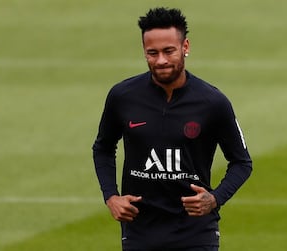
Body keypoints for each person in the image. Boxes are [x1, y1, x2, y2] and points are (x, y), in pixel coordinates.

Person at [92, 7, 252, 251]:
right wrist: (111, 196)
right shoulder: (122, 96)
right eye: (152, 53)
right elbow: (103, 148)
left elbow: (242, 162)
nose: (161, 61)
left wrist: (215, 199)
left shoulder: (213, 102)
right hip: (139, 231)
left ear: (185, 47)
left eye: (169, 51)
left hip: (196, 233)